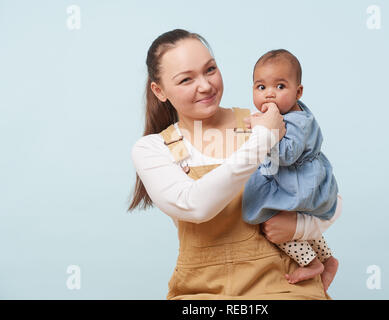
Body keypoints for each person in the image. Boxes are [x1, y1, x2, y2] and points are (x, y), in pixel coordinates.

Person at [128, 29, 341, 299]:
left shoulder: (263, 120)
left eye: (210, 69)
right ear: (159, 91)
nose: (205, 85)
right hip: (201, 292)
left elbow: (326, 193)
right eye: (185, 79)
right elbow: (195, 205)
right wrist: (264, 138)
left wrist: (301, 228)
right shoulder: (153, 149)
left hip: (285, 286)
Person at [242, 49, 342, 292]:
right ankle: (328, 259)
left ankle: (312, 262)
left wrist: (262, 131)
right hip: (297, 180)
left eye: (280, 86)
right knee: (297, 225)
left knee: (270, 221)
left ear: (298, 92)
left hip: (298, 183)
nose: (270, 95)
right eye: (261, 87)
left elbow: (286, 155)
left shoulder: (297, 122)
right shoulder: (291, 112)